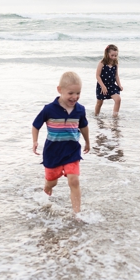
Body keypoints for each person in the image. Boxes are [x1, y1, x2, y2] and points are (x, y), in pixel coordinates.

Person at [32, 72, 92, 214]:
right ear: (60, 90)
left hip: (72, 151)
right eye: (71, 93)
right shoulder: (49, 109)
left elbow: (83, 126)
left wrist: (87, 142)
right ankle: (46, 190)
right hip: (53, 153)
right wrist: (35, 141)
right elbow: (36, 125)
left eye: (78, 93)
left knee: (74, 181)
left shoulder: (80, 109)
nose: (75, 97)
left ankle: (77, 215)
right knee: (52, 181)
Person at [93, 44, 123, 117]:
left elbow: (116, 75)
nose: (114, 57)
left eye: (115, 55)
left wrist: (119, 85)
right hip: (102, 86)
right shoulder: (102, 63)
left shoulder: (116, 63)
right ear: (107, 53)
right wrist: (103, 86)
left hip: (112, 86)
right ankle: (96, 116)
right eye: (112, 55)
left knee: (118, 99)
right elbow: (97, 76)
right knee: (99, 103)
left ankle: (115, 117)